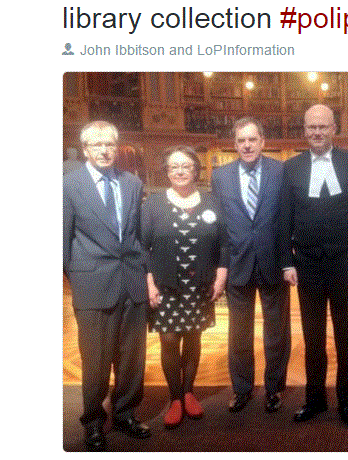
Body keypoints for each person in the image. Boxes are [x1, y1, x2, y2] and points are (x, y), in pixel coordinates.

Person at [280, 104, 348, 424]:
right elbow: (284, 219)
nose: (316, 133)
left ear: (334, 128)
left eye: (323, 127)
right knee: (313, 336)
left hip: (344, 261)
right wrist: (286, 262)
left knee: (346, 335)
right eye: (311, 128)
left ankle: (347, 401)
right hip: (306, 264)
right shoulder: (290, 167)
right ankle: (315, 399)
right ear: (304, 131)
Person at [63, 121, 151, 451]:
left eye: (109, 145)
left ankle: (126, 413)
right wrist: (78, 277)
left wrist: (143, 273)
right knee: (96, 359)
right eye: (97, 145)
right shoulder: (68, 185)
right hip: (92, 284)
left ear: (117, 148)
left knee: (132, 357)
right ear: (86, 149)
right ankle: (94, 422)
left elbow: (137, 236)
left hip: (131, 281)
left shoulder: (131, 182)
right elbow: (61, 240)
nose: (104, 150)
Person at [211, 117, 291, 414]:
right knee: (239, 332)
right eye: (241, 140)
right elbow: (219, 227)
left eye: (252, 139)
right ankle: (242, 389)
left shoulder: (280, 171)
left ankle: (274, 389)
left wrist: (288, 262)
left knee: (277, 332)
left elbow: (287, 220)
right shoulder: (220, 177)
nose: (247, 145)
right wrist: (219, 270)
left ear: (262, 141)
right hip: (237, 265)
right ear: (234, 145)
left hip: (273, 263)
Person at [142, 146, 225, 429]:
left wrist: (221, 276)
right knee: (168, 339)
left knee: (192, 337)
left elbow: (223, 243)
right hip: (166, 285)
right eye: (173, 166)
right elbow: (141, 248)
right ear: (167, 171)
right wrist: (149, 283)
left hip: (198, 283)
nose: (179, 171)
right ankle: (175, 398)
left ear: (195, 170)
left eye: (185, 166)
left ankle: (189, 392)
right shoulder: (153, 204)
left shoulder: (211, 202)